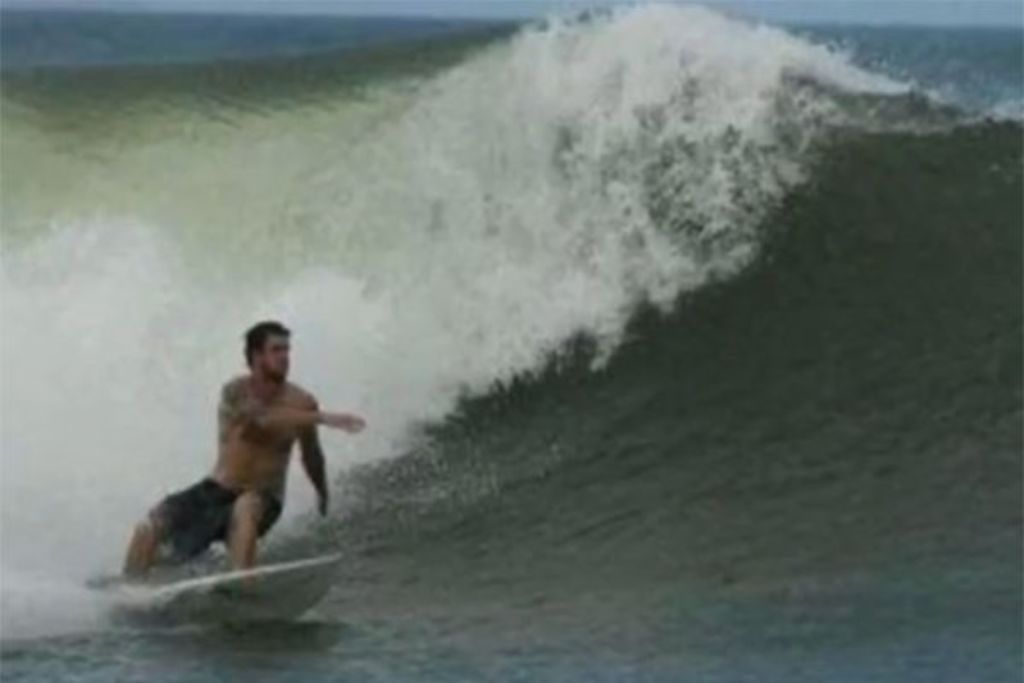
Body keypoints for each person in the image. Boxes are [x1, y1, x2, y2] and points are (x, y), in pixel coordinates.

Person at [122, 321, 365, 578]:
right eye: (277, 350)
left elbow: (311, 455)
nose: (285, 357)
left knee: (245, 506)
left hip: (263, 497)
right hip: (214, 492)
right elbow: (260, 418)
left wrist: (322, 493)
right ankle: (129, 589)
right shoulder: (234, 392)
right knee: (149, 526)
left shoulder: (303, 402)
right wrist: (323, 418)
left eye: (287, 350)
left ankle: (241, 585)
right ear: (257, 355)